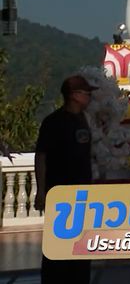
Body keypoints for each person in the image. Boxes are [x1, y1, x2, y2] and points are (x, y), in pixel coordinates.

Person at [34, 75, 97, 284]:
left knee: (80, 245)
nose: (89, 97)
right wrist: (41, 190)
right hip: (60, 191)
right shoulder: (53, 122)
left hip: (83, 193)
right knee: (58, 246)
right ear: (74, 95)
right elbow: (41, 156)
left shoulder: (84, 120)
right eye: (86, 93)